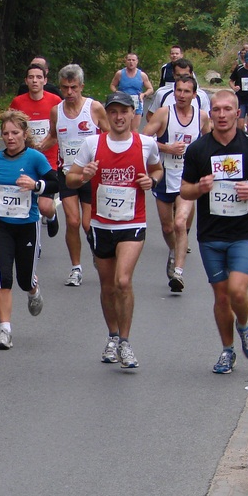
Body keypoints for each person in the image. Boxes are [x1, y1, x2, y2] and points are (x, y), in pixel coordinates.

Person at [179, 90, 248, 374]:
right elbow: (184, 190)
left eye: (228, 109)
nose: (222, 114)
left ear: (237, 113)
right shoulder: (198, 149)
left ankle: (245, 325)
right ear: (210, 114)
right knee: (222, 297)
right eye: (217, 109)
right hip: (210, 236)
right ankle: (227, 351)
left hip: (242, 234)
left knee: (237, 291)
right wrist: (200, 187)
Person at [66, 92, 163, 369]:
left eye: (124, 111)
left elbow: (157, 170)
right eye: (114, 112)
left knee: (123, 281)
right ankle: (112, 336)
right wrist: (84, 176)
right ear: (107, 116)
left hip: (132, 223)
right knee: (108, 286)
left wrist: (152, 181)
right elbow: (70, 179)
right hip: (101, 225)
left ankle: (126, 342)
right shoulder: (92, 144)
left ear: (133, 114)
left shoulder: (146, 144)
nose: (119, 117)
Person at [0, 109, 58, 349]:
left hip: (27, 226)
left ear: (24, 133)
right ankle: (5, 331)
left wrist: (36, 185)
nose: (10, 138)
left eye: (15, 133)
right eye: (6, 133)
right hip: (1, 225)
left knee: (24, 280)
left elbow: (55, 182)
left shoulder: (35, 158)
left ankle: (33, 289)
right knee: (3, 277)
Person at [143, 74, 211, 292]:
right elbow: (144, 139)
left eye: (186, 91)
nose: (181, 95)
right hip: (164, 175)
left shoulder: (201, 117)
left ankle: (178, 272)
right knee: (167, 226)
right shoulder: (164, 113)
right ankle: (174, 251)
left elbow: (210, 144)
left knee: (180, 223)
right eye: (178, 90)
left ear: (194, 95)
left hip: (187, 178)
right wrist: (167, 148)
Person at [44, 63, 109, 287]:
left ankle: (98, 254)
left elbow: (109, 135)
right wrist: (35, 148)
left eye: (73, 87)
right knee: (72, 221)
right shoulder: (56, 111)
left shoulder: (95, 108)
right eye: (65, 88)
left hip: (91, 174)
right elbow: (53, 136)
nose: (69, 92)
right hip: (67, 173)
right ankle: (76, 268)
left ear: (81, 86)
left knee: (88, 224)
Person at [10, 63, 62, 236]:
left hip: (49, 160)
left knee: (44, 206)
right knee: (24, 205)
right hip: (26, 159)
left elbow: (61, 129)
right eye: (31, 77)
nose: (35, 81)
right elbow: (11, 129)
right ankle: (30, 240)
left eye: (39, 77)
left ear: (45, 81)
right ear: (26, 80)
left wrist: (48, 142)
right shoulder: (18, 102)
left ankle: (51, 216)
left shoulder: (55, 101)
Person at [110, 52, 154, 122]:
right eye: (129, 60)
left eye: (133, 60)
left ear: (137, 61)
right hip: (123, 102)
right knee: (123, 125)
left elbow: (150, 89)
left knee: (134, 127)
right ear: (125, 61)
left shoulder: (142, 75)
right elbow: (112, 85)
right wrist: (116, 92)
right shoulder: (120, 73)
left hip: (137, 103)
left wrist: (143, 94)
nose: (131, 62)